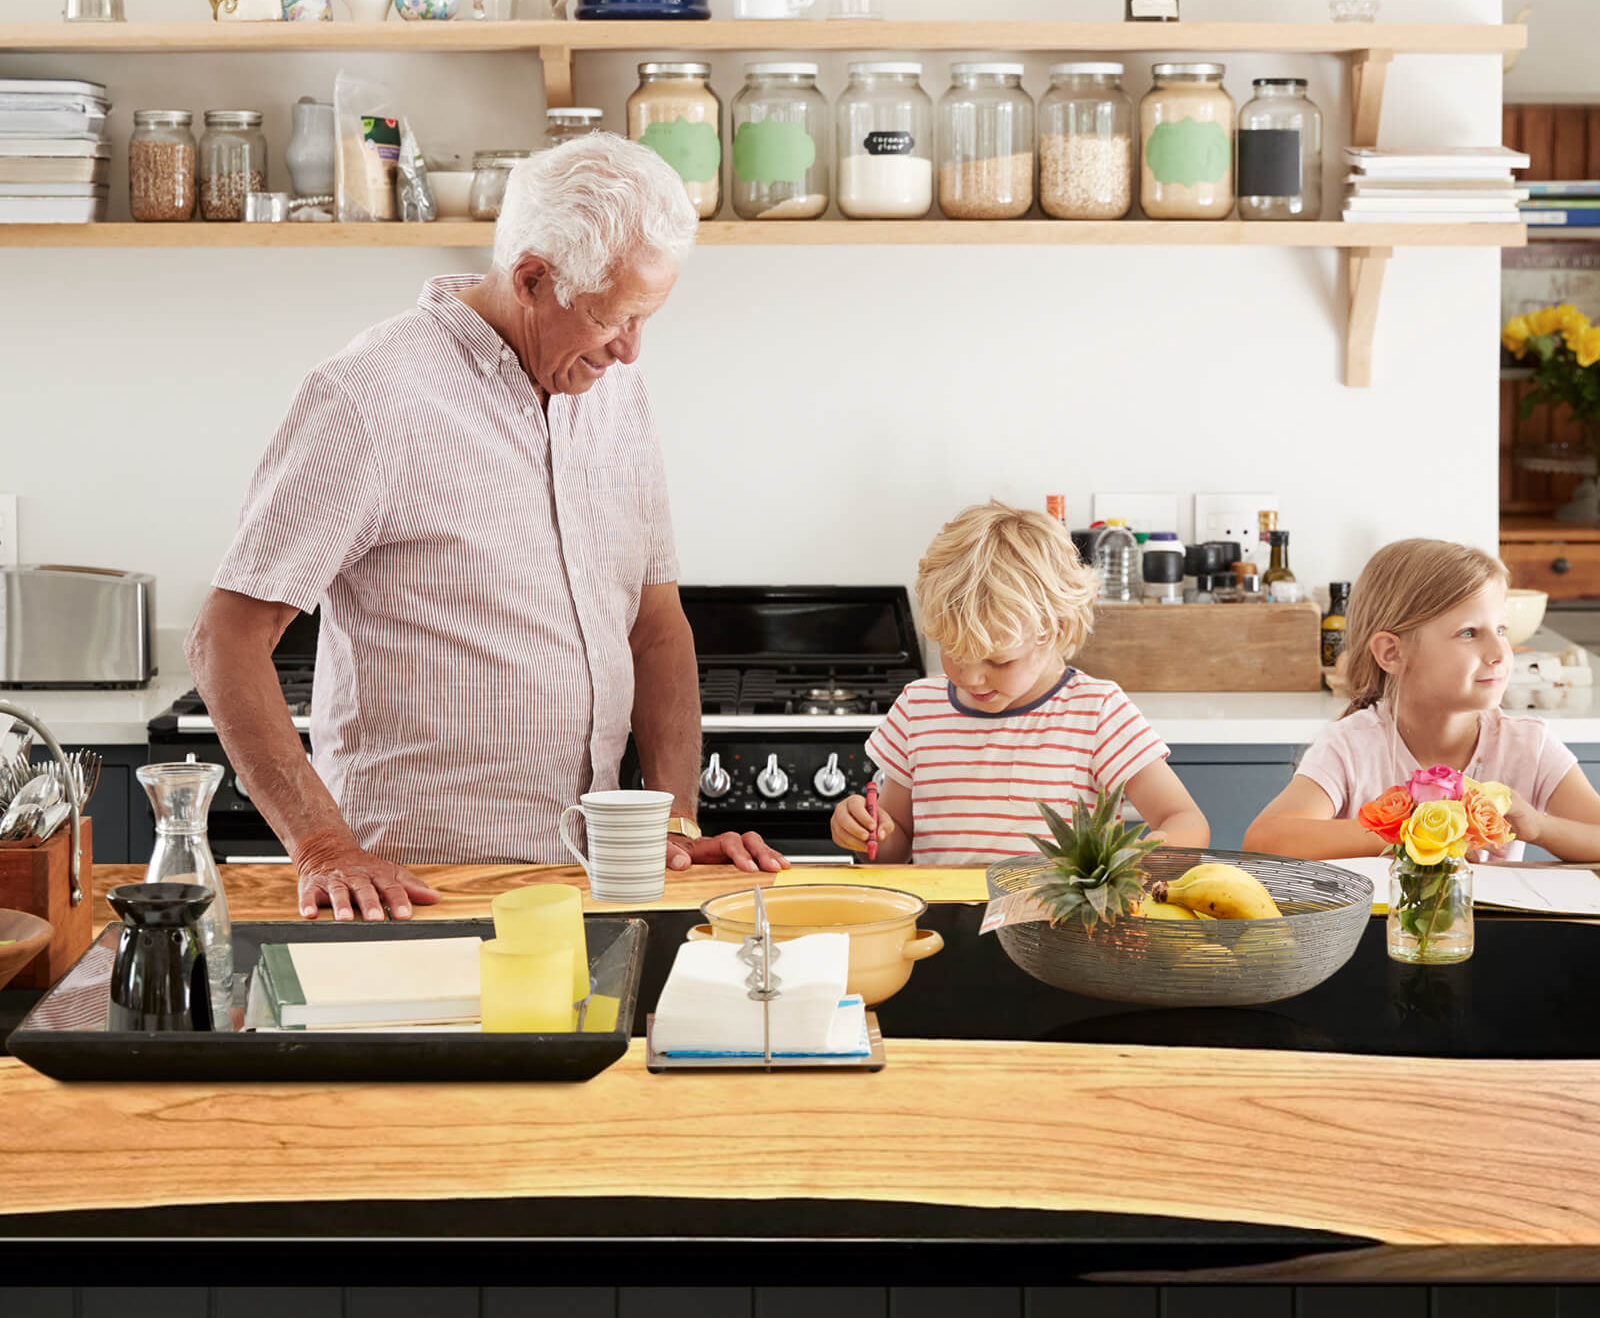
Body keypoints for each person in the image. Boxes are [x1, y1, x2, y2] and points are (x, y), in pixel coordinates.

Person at [188, 135, 786, 922]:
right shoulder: (371, 397)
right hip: (417, 888)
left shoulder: (613, 394)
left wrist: (670, 825)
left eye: (649, 317)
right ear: (534, 278)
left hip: (591, 884)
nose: (633, 351)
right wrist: (323, 847)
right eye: (615, 318)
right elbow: (225, 639)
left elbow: (654, 627)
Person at [828, 502, 1209, 864]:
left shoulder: (1097, 711)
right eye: (954, 653)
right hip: (938, 928)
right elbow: (897, 848)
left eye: (1000, 660)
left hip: (1059, 929)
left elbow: (1186, 821)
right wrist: (867, 834)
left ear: (1056, 629)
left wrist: (1148, 854)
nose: (972, 677)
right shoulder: (918, 708)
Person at [1243, 538, 1600, 861]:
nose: (1499, 652)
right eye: (1469, 633)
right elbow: (1266, 839)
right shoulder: (1352, 745)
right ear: (1392, 653)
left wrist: (1538, 827)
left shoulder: (1528, 745)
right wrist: (1413, 831)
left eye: (1501, 630)